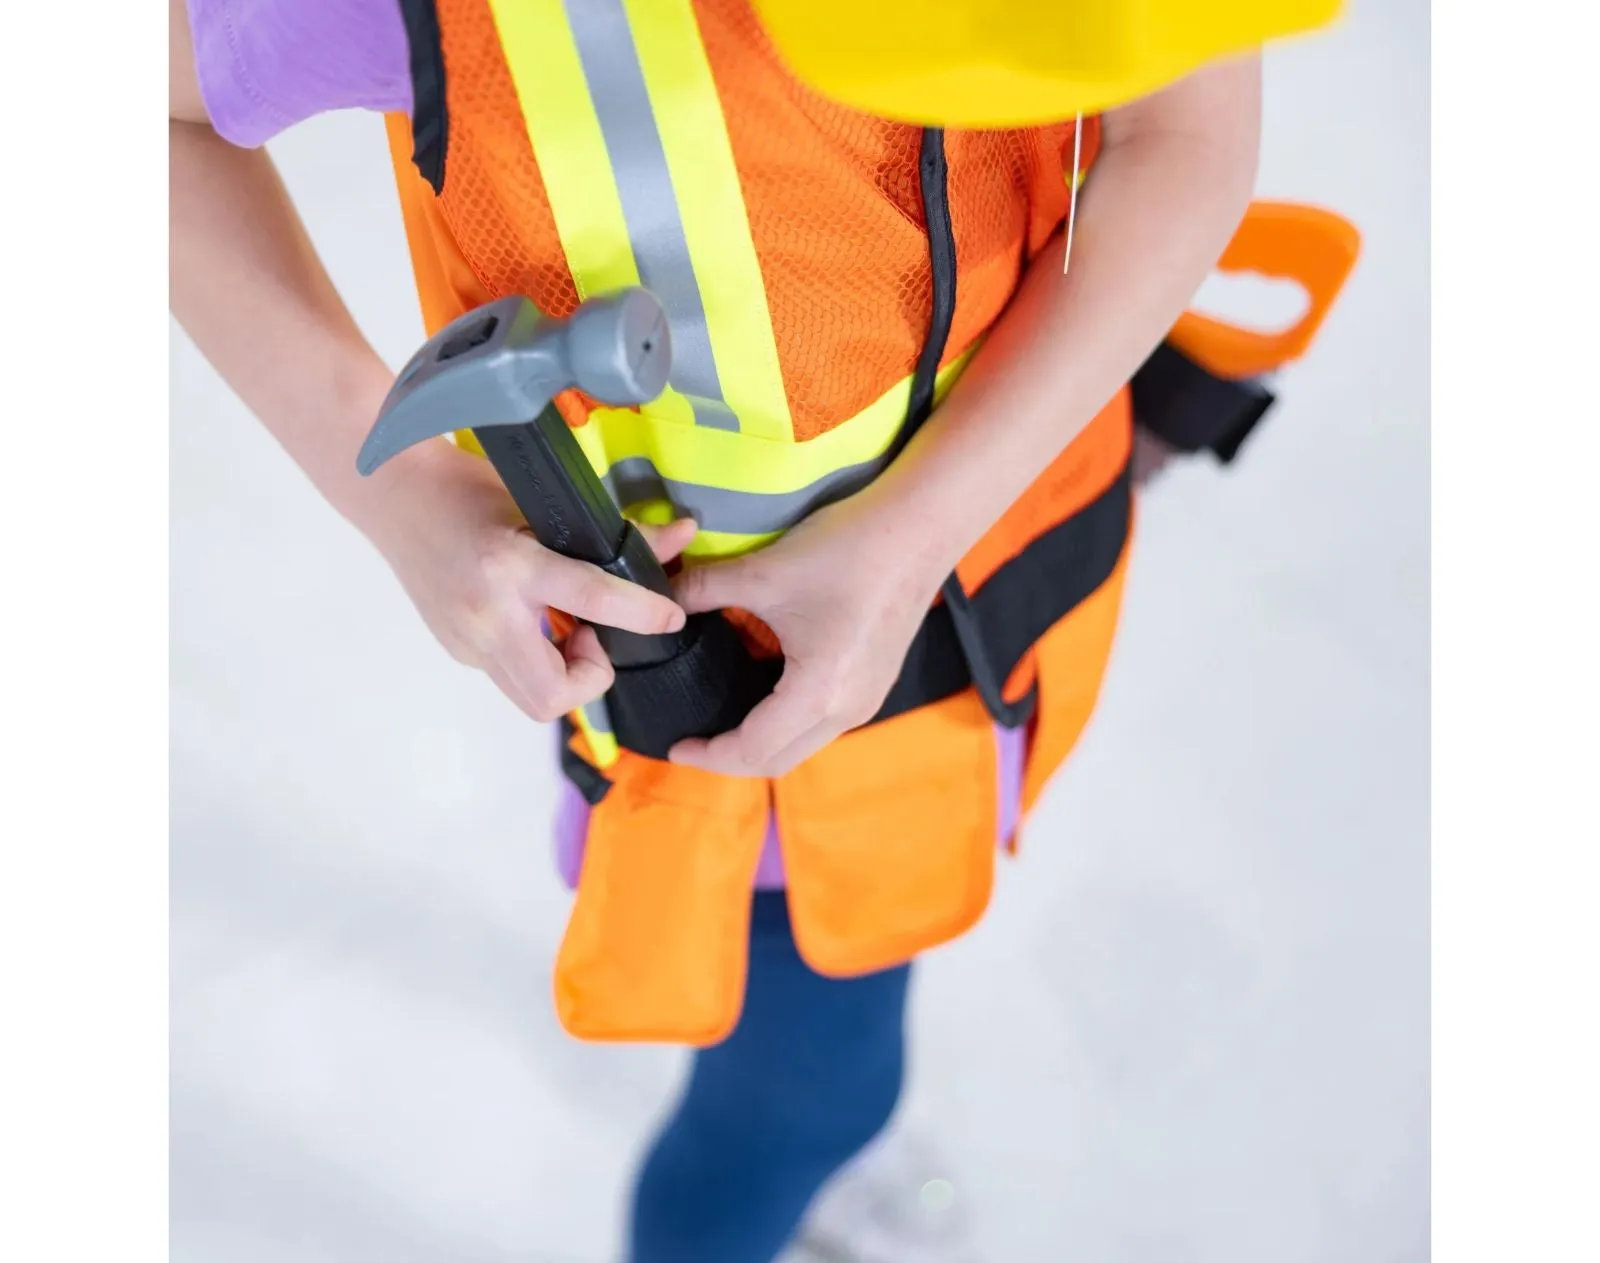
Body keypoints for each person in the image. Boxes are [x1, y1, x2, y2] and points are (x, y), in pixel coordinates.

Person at [170, 1, 1344, 1258]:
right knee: (804, 1106)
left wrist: (910, 540)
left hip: (984, 609)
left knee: (817, 1063)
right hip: (750, 732)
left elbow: (1187, 135)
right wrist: (397, 501)